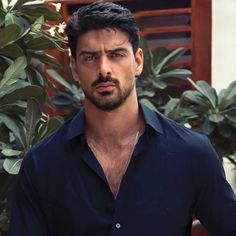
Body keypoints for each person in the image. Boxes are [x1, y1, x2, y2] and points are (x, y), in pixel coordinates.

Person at [9, 1, 236, 236]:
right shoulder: (42, 164)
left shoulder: (192, 153)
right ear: (75, 68)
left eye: (116, 54)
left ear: (138, 62)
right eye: (90, 57)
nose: (104, 69)